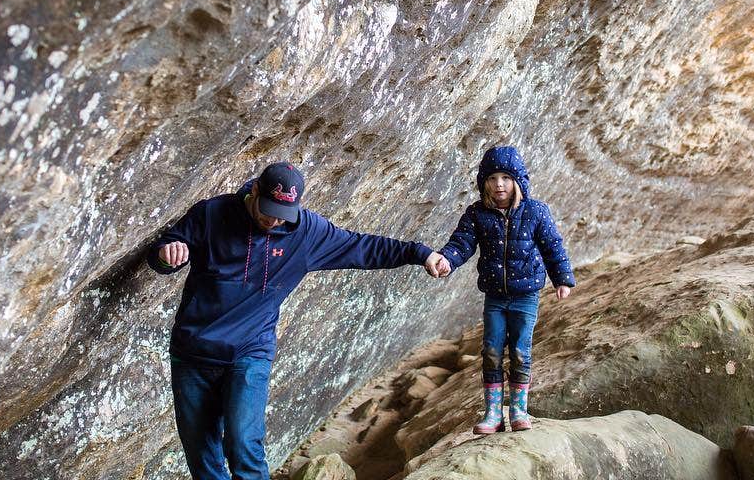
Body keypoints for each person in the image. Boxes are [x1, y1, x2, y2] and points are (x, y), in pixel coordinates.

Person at [146, 161, 447, 479]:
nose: (274, 220)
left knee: (243, 443)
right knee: (201, 455)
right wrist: (167, 254)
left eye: (282, 214)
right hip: (193, 352)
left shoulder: (305, 232)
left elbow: (362, 247)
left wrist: (420, 253)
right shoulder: (211, 214)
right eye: (268, 209)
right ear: (255, 191)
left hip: (249, 352)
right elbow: (163, 250)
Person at [434, 146, 575, 433]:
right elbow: (462, 243)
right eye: (493, 178)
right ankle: (493, 413)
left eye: (506, 178)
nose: (499, 184)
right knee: (492, 351)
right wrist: (447, 259)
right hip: (495, 297)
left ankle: (519, 410)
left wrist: (562, 278)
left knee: (521, 351)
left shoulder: (535, 211)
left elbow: (552, 246)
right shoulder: (477, 214)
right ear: (484, 182)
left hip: (526, 296)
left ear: (518, 181)